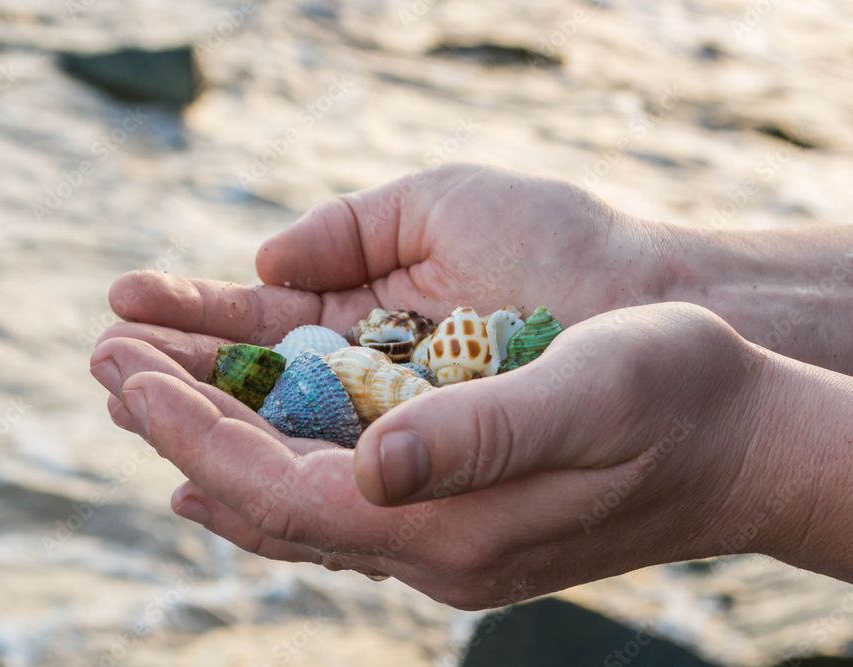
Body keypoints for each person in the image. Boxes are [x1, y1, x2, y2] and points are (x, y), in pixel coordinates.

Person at [89, 163, 853, 610]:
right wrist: (673, 284)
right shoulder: (348, 365)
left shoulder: (389, 365)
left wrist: (747, 451)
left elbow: (741, 436)